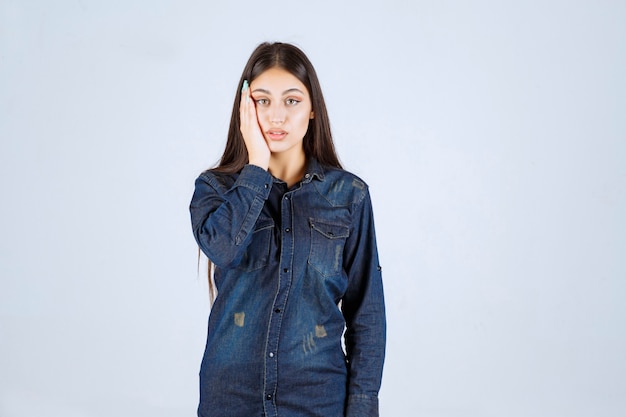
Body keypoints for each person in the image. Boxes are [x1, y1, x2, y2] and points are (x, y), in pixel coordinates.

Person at [189, 42, 386, 417]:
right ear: (245, 108)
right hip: (231, 400)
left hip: (317, 399)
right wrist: (257, 167)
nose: (276, 116)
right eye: (263, 100)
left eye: (291, 101)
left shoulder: (349, 196)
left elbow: (368, 315)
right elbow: (223, 248)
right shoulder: (214, 189)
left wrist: (362, 409)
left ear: (312, 109)